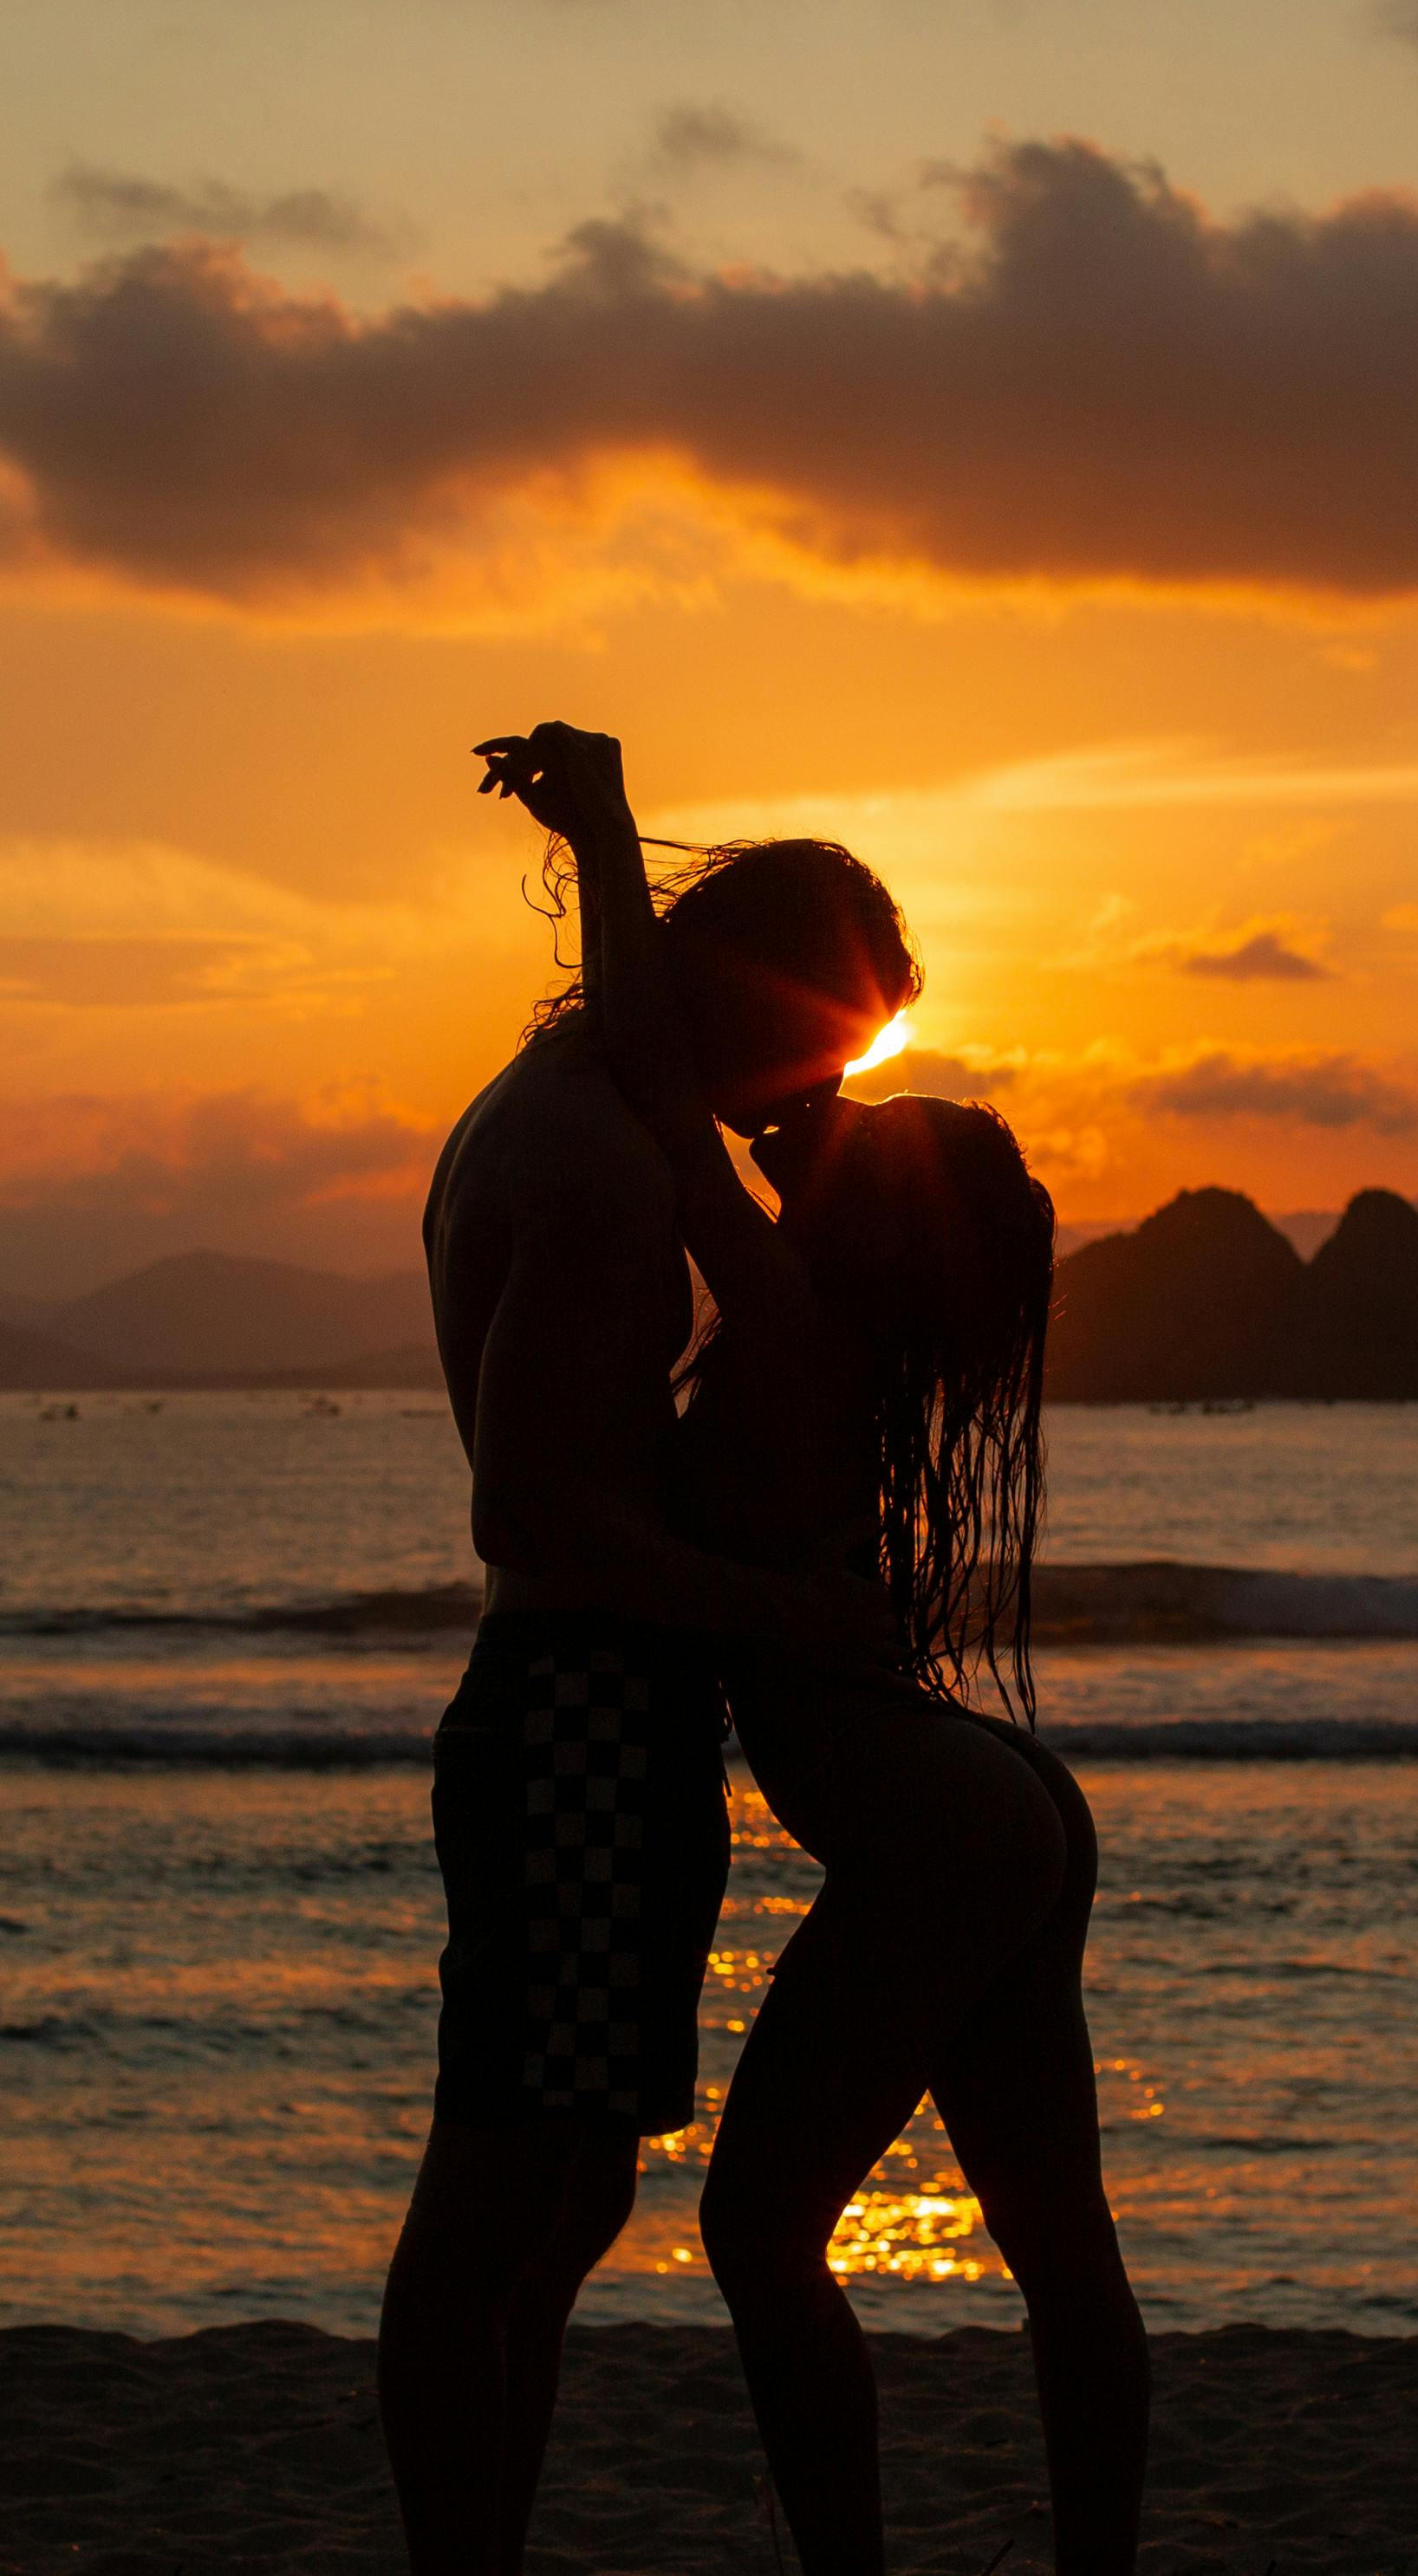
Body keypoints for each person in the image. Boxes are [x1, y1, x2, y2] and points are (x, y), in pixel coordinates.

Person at [480, 720, 1149, 2576]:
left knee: (763, 2234)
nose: (807, 1120)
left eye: (844, 1137)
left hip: (943, 1825)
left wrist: (609, 832)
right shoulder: (849, 1356)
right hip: (1008, 1802)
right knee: (1061, 2255)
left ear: (852, 1229)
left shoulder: (778, 1318)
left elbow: (642, 1051)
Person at [381, 788, 924, 2573]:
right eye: (805, 1060)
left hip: (586, 1710)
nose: (805, 1109)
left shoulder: (557, 1114)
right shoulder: (608, 1165)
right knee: (495, 2207)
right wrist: (786, 1618)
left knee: (563, 2200)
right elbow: (528, 1507)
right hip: (575, 1714)